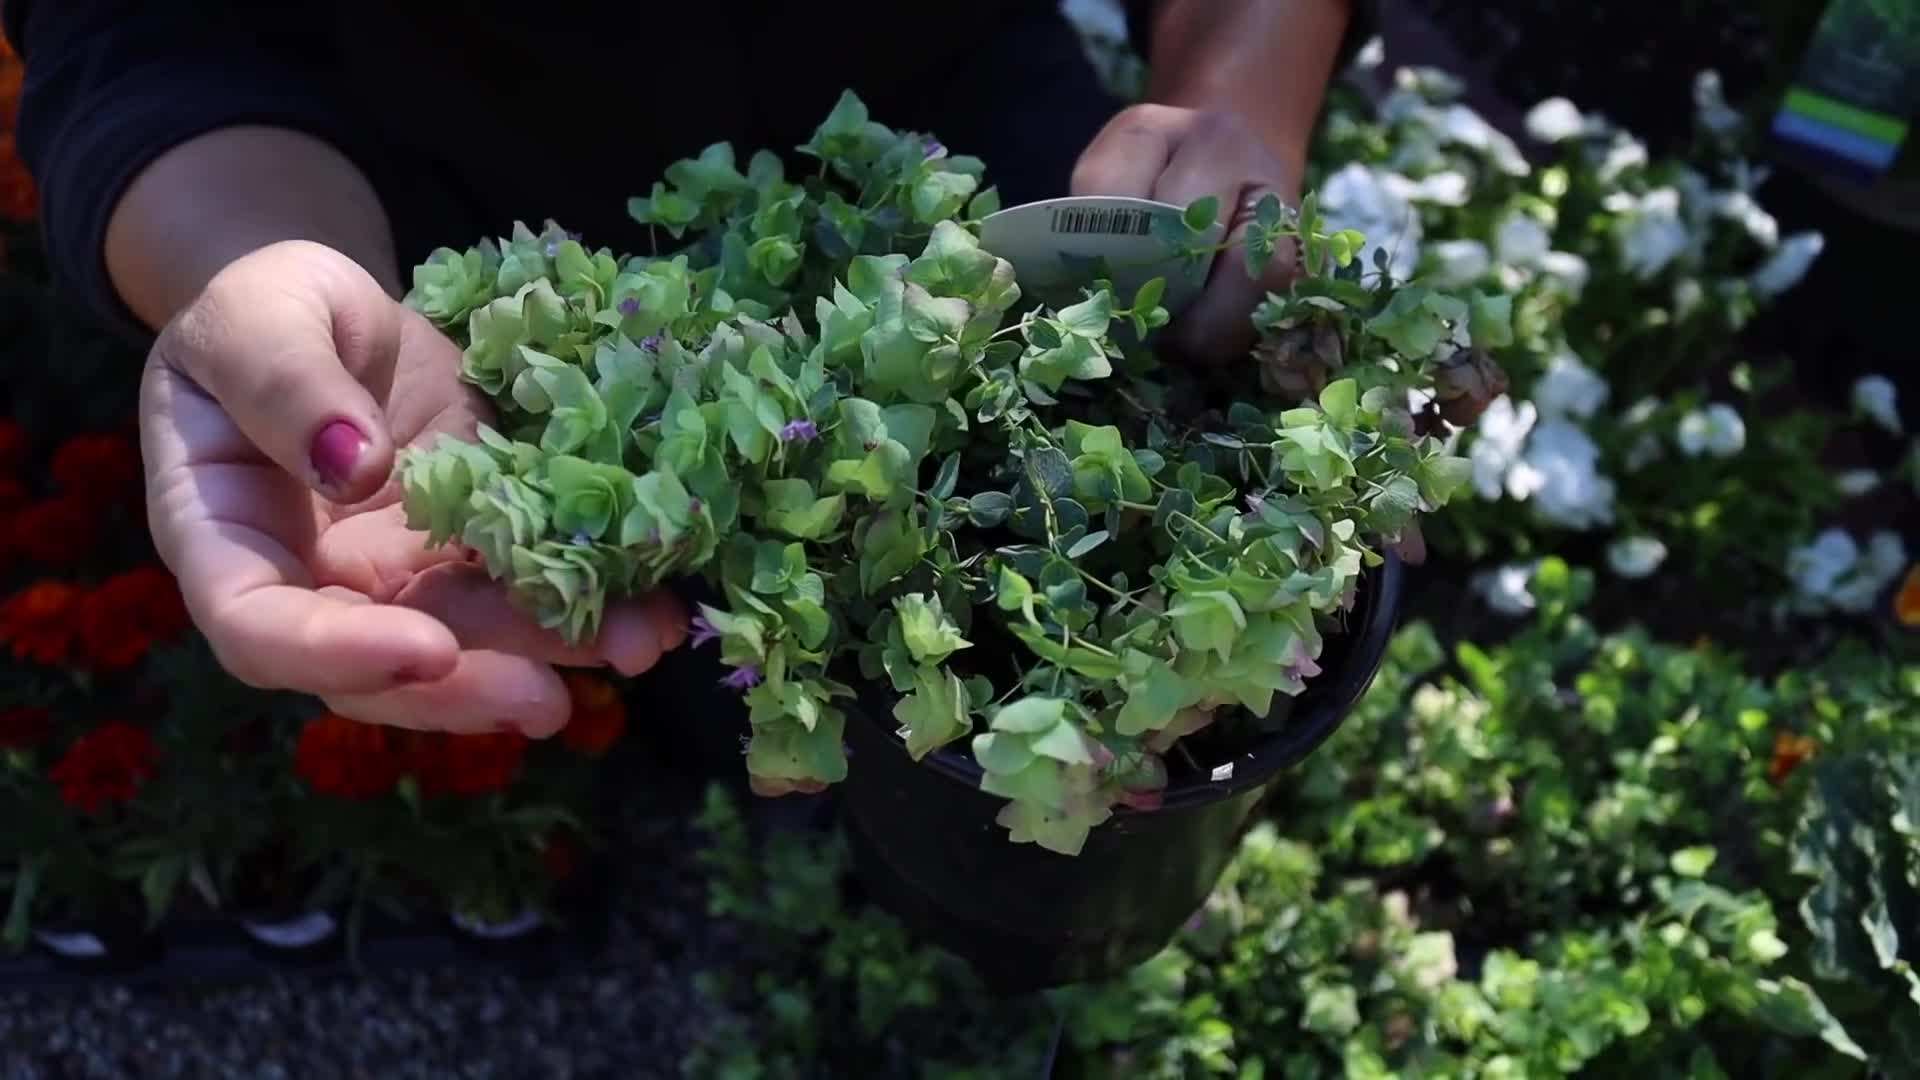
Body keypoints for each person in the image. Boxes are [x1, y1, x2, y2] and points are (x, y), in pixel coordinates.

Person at [4, 0, 1367, 738]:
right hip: (495, 283)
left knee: (1048, 643)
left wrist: (1240, 85)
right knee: (668, 669)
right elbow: (135, 23)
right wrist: (259, 259)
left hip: (985, 182)